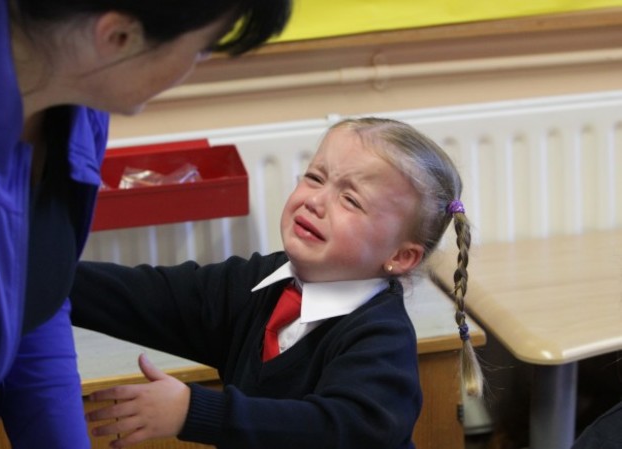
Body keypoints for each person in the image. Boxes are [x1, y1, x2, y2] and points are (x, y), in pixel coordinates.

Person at [0, 0, 291, 448]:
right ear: (118, 38)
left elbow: (35, 296)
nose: (195, 66)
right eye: (202, 49)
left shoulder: (77, 100)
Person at [70, 117, 484, 449]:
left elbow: (341, 429)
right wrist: (48, 278)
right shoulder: (258, 283)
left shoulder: (380, 337)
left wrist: (193, 412)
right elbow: (152, 297)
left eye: (351, 200)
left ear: (400, 257)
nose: (316, 201)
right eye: (315, 177)